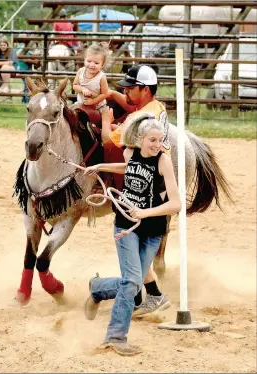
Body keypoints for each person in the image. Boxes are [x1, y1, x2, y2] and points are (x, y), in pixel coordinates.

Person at [83, 113, 181, 356]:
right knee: (132, 283)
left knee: (133, 281)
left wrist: (144, 212)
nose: (158, 145)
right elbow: (130, 168)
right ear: (140, 139)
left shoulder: (163, 161)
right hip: (125, 226)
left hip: (152, 230)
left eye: (160, 140)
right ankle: (116, 336)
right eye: (152, 140)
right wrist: (100, 166)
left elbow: (176, 204)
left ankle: (98, 287)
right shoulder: (131, 153)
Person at [101, 65, 171, 316]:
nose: (126, 91)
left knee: (136, 243)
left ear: (144, 89)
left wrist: (107, 121)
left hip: (142, 186)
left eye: (131, 88)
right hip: (156, 184)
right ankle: (151, 295)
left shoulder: (137, 120)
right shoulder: (158, 108)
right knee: (141, 247)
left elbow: (108, 140)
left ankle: (104, 288)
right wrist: (114, 95)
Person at [73, 43, 109, 112]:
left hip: (98, 106)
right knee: (70, 115)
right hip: (81, 104)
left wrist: (93, 101)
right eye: (89, 61)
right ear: (84, 60)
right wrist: (82, 89)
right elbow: (75, 85)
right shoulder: (81, 71)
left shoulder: (101, 77)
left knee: (104, 117)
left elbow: (104, 94)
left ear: (102, 65)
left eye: (96, 63)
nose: (92, 65)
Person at [16, 35, 41, 103]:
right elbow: (24, 59)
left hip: (26, 68)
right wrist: (34, 61)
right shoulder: (22, 47)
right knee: (28, 85)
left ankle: (24, 100)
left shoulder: (26, 47)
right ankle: (27, 101)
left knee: (27, 85)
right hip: (24, 68)